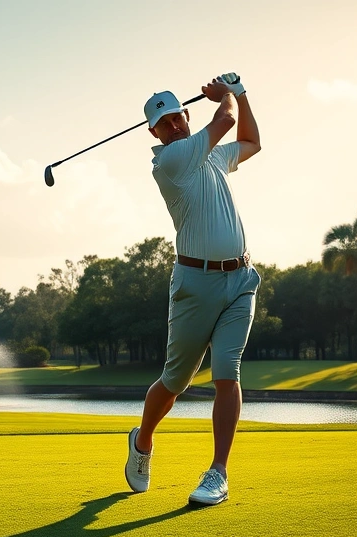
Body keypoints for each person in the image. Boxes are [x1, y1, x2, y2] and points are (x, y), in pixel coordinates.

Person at [125, 73, 262, 506]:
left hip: (240, 280)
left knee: (227, 371)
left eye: (177, 118)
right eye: (164, 124)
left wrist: (241, 95)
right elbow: (223, 121)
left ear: (186, 115)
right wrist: (225, 97)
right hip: (195, 285)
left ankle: (218, 472)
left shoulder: (209, 157)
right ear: (155, 132)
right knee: (175, 380)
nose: (174, 126)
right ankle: (143, 441)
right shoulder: (171, 160)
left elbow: (252, 142)